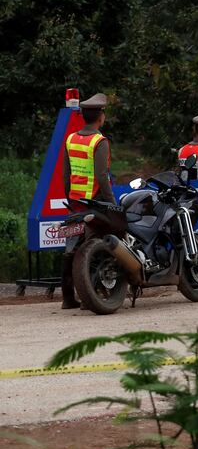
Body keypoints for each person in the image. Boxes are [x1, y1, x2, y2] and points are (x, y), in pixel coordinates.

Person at [60, 93, 114, 310]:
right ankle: (91, 296)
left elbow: (66, 175)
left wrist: (70, 198)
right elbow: (102, 176)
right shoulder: (99, 141)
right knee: (94, 247)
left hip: (75, 201)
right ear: (101, 117)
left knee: (71, 248)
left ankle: (67, 297)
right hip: (95, 202)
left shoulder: (71, 139)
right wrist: (111, 203)